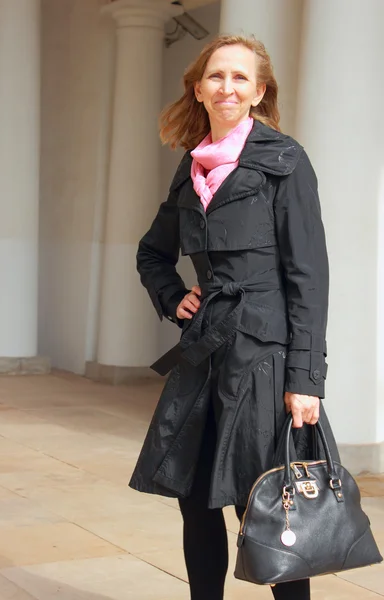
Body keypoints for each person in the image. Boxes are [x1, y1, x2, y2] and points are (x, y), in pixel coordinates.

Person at [129, 34, 339, 600]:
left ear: (259, 92)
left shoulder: (284, 160)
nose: (227, 87)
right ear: (198, 89)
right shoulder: (191, 167)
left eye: (240, 78)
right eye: (216, 77)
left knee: (271, 506)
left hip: (265, 361)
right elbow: (153, 251)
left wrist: (305, 380)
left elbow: (308, 278)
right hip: (204, 357)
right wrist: (175, 297)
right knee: (194, 502)